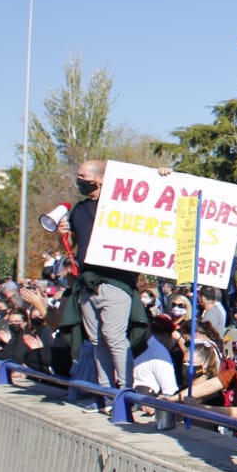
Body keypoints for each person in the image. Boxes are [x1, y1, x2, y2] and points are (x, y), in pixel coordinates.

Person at [59, 159, 150, 395]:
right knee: (98, 341)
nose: (78, 180)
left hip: (115, 284)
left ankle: (125, 392)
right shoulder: (78, 210)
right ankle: (107, 394)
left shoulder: (122, 206)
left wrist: (162, 176)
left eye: (82, 176)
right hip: (88, 286)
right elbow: (76, 244)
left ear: (99, 178)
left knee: (114, 337)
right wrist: (64, 235)